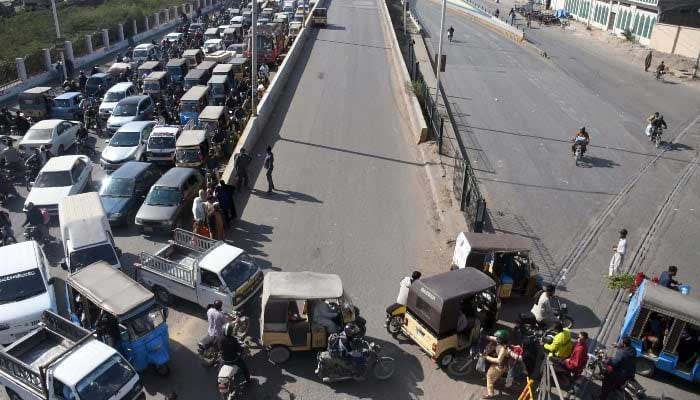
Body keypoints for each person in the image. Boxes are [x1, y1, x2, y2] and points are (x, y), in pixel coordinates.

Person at [483, 329, 511, 399]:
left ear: (501, 339)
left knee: (489, 375)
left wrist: (486, 357)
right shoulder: (501, 342)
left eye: (498, 338)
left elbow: (498, 360)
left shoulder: (503, 349)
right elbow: (493, 338)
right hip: (502, 364)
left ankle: (490, 394)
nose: (497, 339)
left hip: (501, 366)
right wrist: (485, 336)